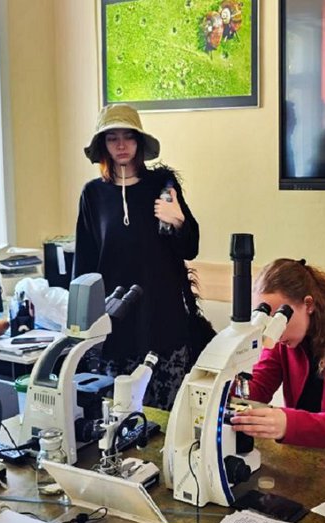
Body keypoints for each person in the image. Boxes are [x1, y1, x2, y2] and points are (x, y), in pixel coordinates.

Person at [73, 103, 208, 410]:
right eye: (112, 138)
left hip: (164, 321)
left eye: (128, 137)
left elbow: (190, 248)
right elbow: (84, 265)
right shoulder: (93, 194)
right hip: (116, 323)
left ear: (139, 142)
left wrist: (178, 221)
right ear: (103, 145)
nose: (121, 145)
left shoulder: (163, 187)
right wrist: (81, 326)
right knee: (119, 415)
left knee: (168, 416)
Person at [231, 258, 325, 457]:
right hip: (303, 454)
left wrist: (288, 424)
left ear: (309, 304)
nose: (274, 332)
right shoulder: (280, 338)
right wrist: (220, 384)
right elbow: (258, 388)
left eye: (279, 319)